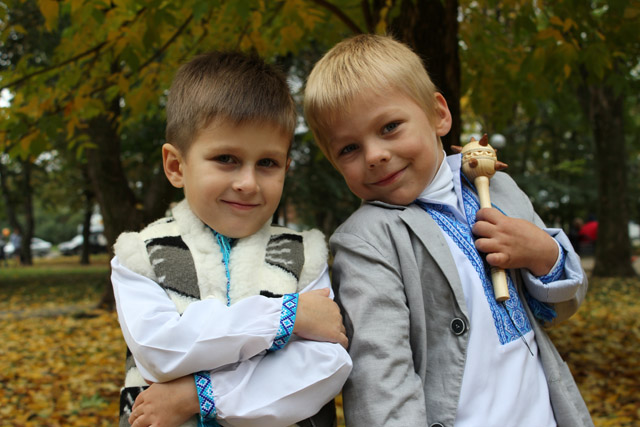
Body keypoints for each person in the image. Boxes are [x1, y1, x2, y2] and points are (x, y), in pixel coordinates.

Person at [303, 34, 592, 427]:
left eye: (390, 127)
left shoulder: (499, 188)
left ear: (438, 114)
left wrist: (545, 255)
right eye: (348, 149)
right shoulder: (366, 241)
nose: (375, 155)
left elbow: (561, 310)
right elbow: (380, 378)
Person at [111, 50, 351, 427]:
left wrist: (199, 395)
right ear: (176, 166)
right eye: (226, 158)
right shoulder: (139, 255)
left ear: (286, 168)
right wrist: (286, 318)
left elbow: (325, 366)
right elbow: (160, 349)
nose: (248, 183)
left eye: (268, 163)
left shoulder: (305, 255)